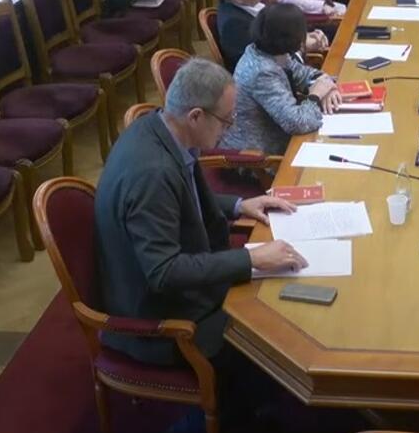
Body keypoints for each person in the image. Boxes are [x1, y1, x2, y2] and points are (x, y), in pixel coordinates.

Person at [94, 57, 307, 368]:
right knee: (278, 335)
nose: (230, 128)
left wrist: (239, 205)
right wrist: (250, 258)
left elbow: (180, 199)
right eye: (226, 120)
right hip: (166, 322)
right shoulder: (153, 174)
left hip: (190, 287)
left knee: (284, 299)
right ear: (195, 116)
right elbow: (164, 272)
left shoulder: (162, 127)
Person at [221, 3, 341, 156]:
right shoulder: (262, 72)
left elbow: (303, 73)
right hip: (259, 154)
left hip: (282, 137)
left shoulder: (269, 50)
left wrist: (326, 84)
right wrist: (316, 95)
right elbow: (297, 123)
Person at [214, 0, 328, 70]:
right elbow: (269, 64)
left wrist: (306, 35)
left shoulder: (251, 3)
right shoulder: (233, 26)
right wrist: (302, 45)